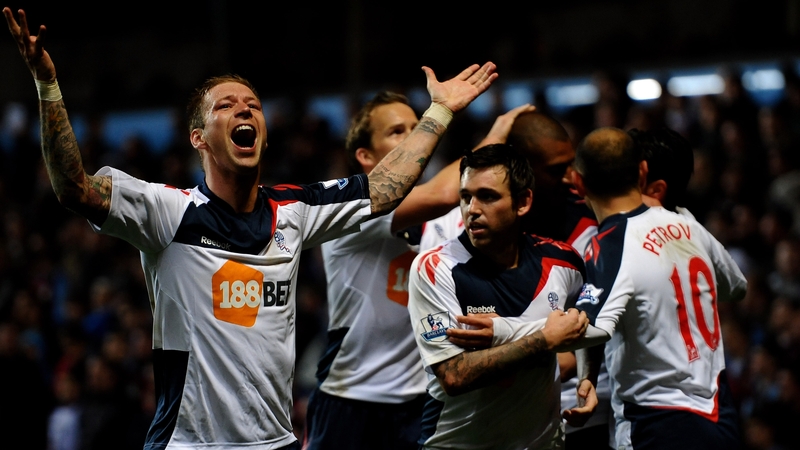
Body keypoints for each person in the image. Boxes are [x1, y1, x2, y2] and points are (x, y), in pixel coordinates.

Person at [4, 7, 498, 449]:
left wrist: (440, 110)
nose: (244, 108)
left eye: (253, 104)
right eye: (225, 105)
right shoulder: (166, 212)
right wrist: (48, 86)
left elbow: (385, 188)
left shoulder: (296, 210)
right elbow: (75, 189)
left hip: (278, 443)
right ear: (198, 138)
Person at [304, 94, 535, 449]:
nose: (417, 139)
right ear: (366, 158)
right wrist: (498, 131)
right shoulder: (350, 210)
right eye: (398, 132)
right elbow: (446, 190)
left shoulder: (448, 216)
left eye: (417, 128)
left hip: (422, 400)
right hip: (350, 398)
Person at [407, 144, 595, 449]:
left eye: (488, 196)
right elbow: (454, 375)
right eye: (466, 196)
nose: (472, 209)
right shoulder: (435, 268)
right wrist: (545, 339)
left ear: (523, 202)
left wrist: (588, 377)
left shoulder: (564, 261)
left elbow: (587, 320)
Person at [570, 127, 748, 449]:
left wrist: (506, 332)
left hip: (658, 424)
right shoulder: (689, 224)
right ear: (640, 170)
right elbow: (737, 287)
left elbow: (588, 328)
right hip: (721, 418)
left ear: (578, 183)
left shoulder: (608, 246)